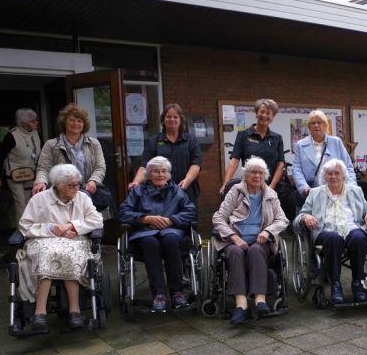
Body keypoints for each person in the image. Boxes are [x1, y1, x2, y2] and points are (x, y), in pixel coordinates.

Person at [18, 164, 103, 331]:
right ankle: (40, 313)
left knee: (69, 254)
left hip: (74, 241)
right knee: (47, 255)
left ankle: (75, 312)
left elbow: (97, 220)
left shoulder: (82, 198)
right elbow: (25, 226)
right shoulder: (39, 199)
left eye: (78, 184)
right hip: (43, 241)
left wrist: (70, 226)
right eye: (71, 185)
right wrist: (52, 229)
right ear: (58, 184)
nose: (76, 188)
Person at [213, 156, 288, 325]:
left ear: (265, 176)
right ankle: (241, 305)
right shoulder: (236, 191)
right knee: (234, 252)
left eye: (260, 173)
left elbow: (282, 220)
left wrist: (268, 231)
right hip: (235, 240)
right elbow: (218, 218)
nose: (257, 176)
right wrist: (233, 237)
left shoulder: (271, 194)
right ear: (246, 175)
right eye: (253, 172)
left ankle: (260, 301)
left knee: (256, 250)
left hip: (260, 241)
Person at [119, 156, 197, 312]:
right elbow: (123, 212)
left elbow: (190, 211)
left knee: (170, 240)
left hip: (171, 231)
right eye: (156, 171)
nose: (160, 174)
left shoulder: (177, 191)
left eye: (164, 171)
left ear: (168, 174)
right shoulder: (138, 191)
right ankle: (159, 294)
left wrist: (171, 220)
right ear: (149, 174)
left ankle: (177, 293)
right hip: (145, 233)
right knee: (151, 243)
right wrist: (145, 218)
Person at [295, 159, 367, 305]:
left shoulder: (356, 191)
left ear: (343, 176)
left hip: (352, 228)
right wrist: (305, 217)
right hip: (326, 232)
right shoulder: (315, 193)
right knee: (334, 238)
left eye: (337, 173)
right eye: (329, 174)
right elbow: (298, 218)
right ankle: (336, 285)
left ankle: (358, 283)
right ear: (324, 176)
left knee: (358, 237)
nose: (333, 176)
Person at [219, 98, 296, 220]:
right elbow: (234, 160)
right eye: (262, 112)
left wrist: (270, 188)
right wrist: (226, 184)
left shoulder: (277, 138)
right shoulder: (243, 135)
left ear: (272, 117)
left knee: (270, 220)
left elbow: (280, 164)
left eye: (268, 113)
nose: (264, 115)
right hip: (250, 187)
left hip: (272, 187)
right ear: (256, 113)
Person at [32, 104, 108, 211]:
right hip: (61, 195)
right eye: (72, 120)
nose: (75, 124)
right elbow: (43, 168)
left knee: (88, 220)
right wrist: (41, 181)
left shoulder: (93, 144)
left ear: (84, 124)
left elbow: (100, 167)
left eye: (79, 121)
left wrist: (93, 181)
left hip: (88, 194)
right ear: (64, 122)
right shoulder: (51, 145)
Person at [130, 103, 202, 205]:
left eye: (175, 117)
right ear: (163, 120)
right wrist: (136, 182)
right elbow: (145, 166)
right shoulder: (154, 141)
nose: (172, 119)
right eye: (168, 117)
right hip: (160, 194)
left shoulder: (191, 140)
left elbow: (196, 164)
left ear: (181, 120)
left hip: (186, 192)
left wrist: (187, 181)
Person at [0, 108, 41, 226]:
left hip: (31, 173)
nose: (36, 123)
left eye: (36, 120)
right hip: (14, 175)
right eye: (32, 121)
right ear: (23, 123)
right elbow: (1, 157)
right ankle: (21, 231)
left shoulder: (35, 133)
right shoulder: (12, 135)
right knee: (20, 203)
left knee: (30, 202)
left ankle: (28, 226)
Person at [293, 110, 356, 200]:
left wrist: (351, 187)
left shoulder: (336, 142)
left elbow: (348, 167)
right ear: (309, 127)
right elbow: (297, 169)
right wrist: (303, 187)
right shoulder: (300, 145)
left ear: (325, 125)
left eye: (319, 122)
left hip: (336, 194)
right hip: (311, 194)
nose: (316, 125)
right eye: (313, 123)